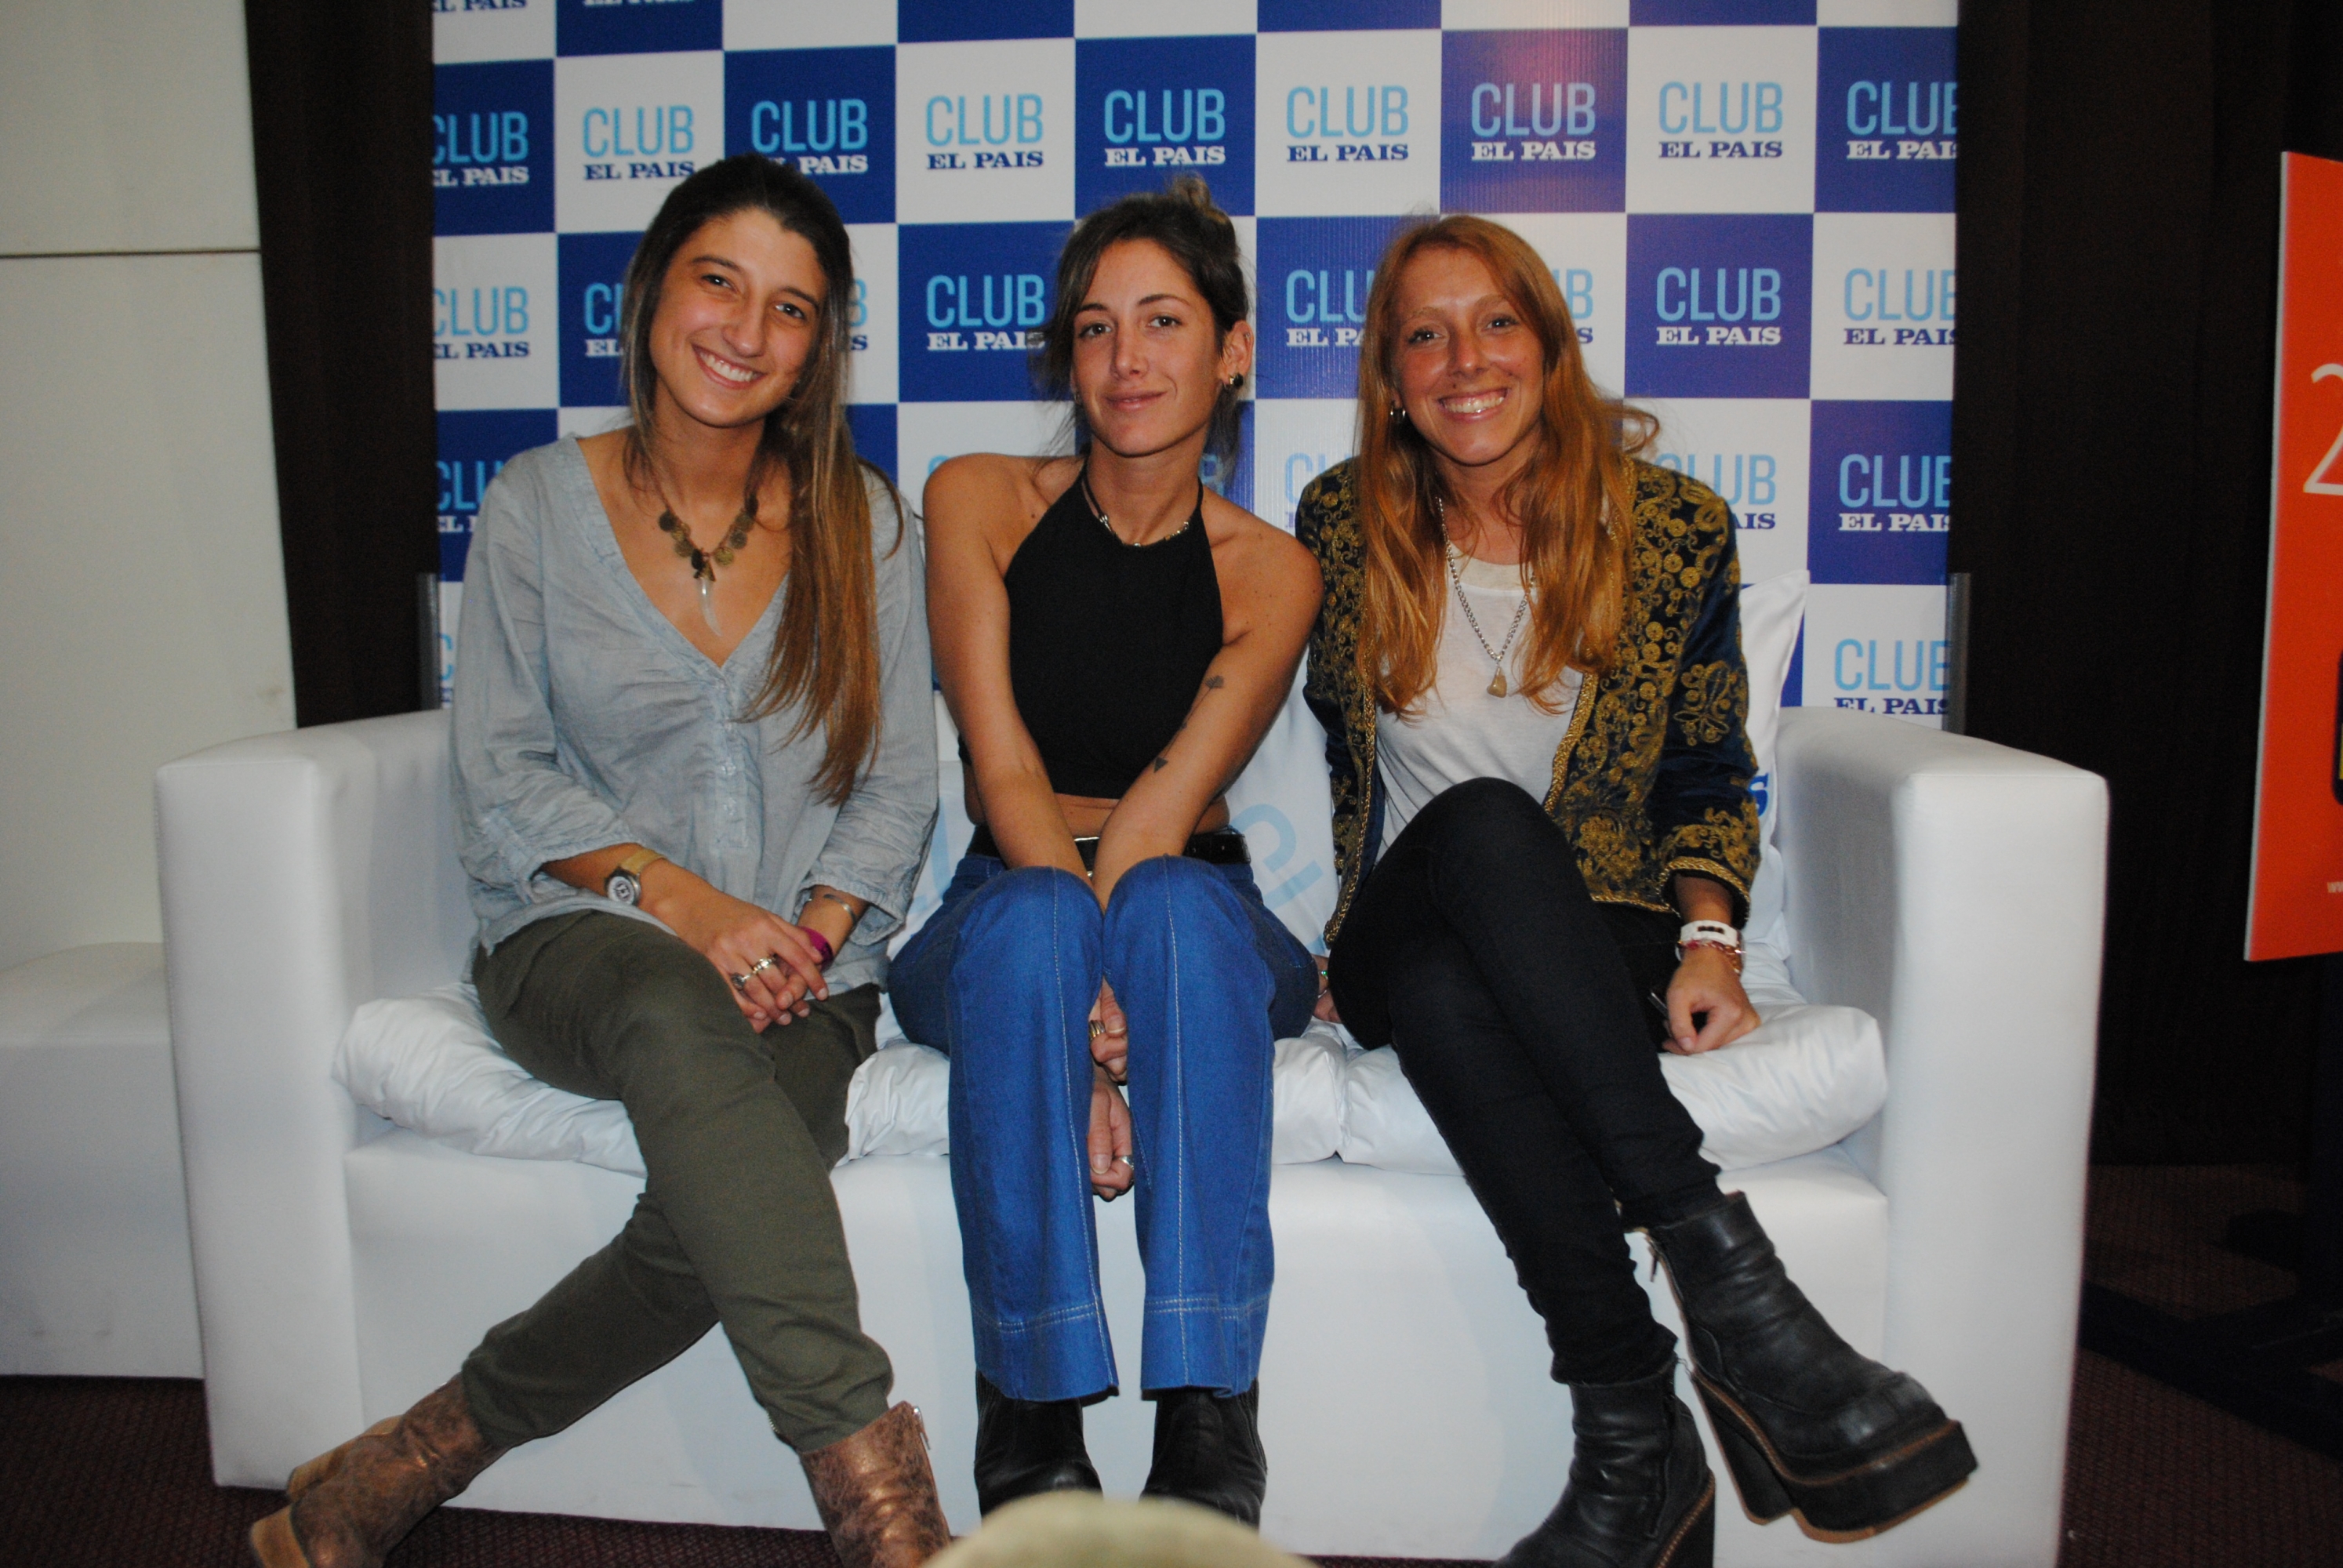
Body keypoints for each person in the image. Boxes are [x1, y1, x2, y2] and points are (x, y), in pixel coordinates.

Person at [249, 157, 948, 1568]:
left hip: (812, 972)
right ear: (650, 292)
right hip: (578, 944)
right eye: (719, 281)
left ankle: (409, 1459)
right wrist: (695, 915)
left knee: (713, 1209)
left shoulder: (864, 522)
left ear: (821, 351)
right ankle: (888, 1516)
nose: (748, 330)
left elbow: (898, 783)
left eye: (793, 308)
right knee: (669, 1008)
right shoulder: (532, 507)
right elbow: (501, 773)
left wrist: (801, 941)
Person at [1297, 215, 1976, 1568]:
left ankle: (1635, 1445)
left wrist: (1711, 939)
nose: (1462, 360)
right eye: (1422, 335)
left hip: (1587, 925)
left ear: (1550, 347)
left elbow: (1709, 766)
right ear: (1388, 374)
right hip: (1390, 918)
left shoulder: (1671, 527)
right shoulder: (1338, 522)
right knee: (1468, 854)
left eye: (1496, 322)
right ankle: (1751, 1312)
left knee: (1456, 984)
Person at [891, 177, 1322, 1528]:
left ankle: (1207, 1411)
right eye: (1094, 328)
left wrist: (1111, 993)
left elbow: (1160, 807)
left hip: (1192, 903)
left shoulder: (1273, 569)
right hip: (1005, 903)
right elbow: (1003, 760)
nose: (1125, 361)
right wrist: (1080, 1013)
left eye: (1163, 322)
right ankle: (1030, 1400)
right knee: (1034, 922)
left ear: (1233, 350)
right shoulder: (973, 500)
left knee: (1176, 906)